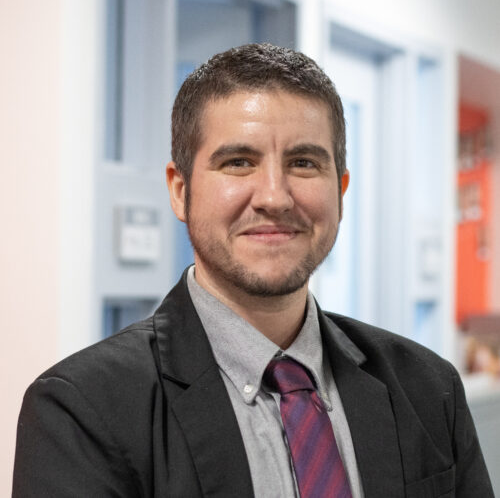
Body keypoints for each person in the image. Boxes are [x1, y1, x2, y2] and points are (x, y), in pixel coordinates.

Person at [13, 43, 493, 498]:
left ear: (340, 192)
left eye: (304, 163)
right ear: (180, 190)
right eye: (239, 162)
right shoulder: (81, 411)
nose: (273, 197)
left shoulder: (430, 389)